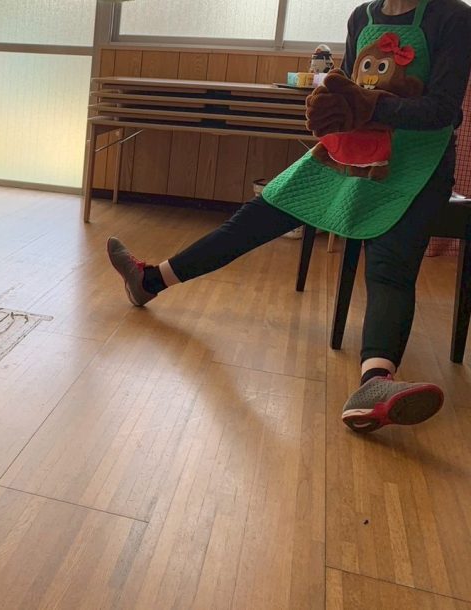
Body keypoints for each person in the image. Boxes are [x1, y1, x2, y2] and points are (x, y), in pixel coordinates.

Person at [108, 0, 471, 433]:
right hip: (350, 149)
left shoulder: (454, 17)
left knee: (389, 266)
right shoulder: (362, 16)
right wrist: (327, 105)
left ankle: (375, 384)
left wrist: (369, 105)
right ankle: (150, 281)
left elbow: (442, 111)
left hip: (419, 165)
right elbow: (345, 88)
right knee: (255, 218)